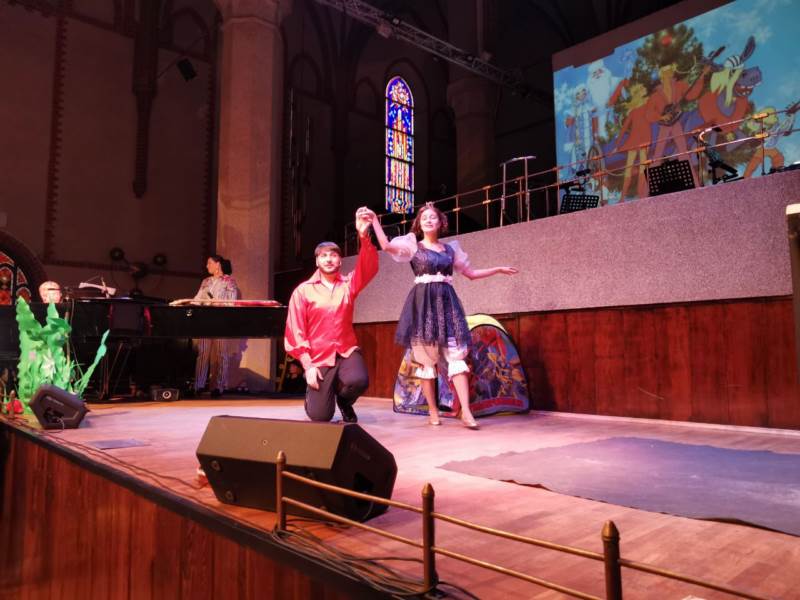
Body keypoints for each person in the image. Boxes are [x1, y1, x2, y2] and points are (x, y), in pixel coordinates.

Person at [370, 203, 518, 429]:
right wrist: (374, 220)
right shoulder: (413, 246)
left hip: (448, 306)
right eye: (424, 218)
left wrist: (496, 269)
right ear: (419, 224)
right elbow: (386, 246)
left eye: (433, 217)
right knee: (427, 362)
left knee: (456, 357)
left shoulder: (450, 250)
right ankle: (432, 411)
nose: (428, 220)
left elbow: (470, 274)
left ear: (441, 223)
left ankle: (466, 411)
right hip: (424, 307)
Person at [284, 207, 378, 422]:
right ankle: (313, 396)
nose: (328, 259)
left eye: (333, 255)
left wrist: (363, 235)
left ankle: (344, 401)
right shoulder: (303, 291)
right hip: (318, 357)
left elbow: (369, 266)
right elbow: (296, 332)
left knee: (358, 380)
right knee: (320, 416)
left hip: (345, 350)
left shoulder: (348, 285)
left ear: (340, 261)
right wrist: (308, 366)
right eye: (323, 256)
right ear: (317, 261)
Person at [194, 255, 240, 397]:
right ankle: (199, 385)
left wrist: (216, 302)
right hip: (205, 321)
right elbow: (197, 299)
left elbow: (232, 302)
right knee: (203, 353)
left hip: (221, 321)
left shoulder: (229, 281)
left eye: (209, 263)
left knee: (221, 354)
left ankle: (219, 386)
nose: (207, 266)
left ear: (218, 264)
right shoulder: (206, 281)